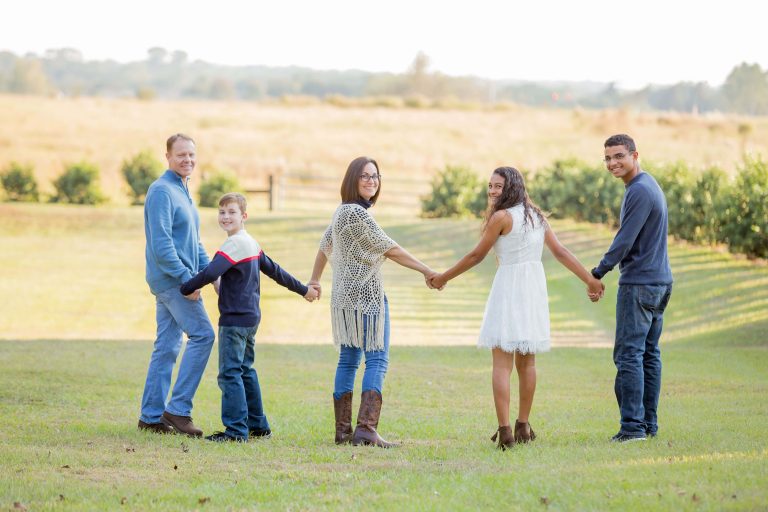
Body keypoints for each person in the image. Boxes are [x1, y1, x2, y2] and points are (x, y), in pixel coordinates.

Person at [429, 166, 604, 450]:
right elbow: (559, 252)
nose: (492, 191)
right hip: (533, 290)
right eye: (490, 186)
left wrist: (442, 278)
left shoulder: (501, 217)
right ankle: (523, 424)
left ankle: (507, 429)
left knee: (502, 363)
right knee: (527, 363)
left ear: (511, 187)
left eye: (497, 186)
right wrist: (589, 279)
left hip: (510, 289)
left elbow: (476, 255)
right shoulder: (536, 217)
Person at [309, 156, 437, 448]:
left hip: (344, 298)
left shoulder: (341, 212)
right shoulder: (357, 214)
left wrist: (315, 280)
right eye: (364, 176)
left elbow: (324, 246)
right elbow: (390, 249)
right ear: (352, 180)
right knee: (377, 358)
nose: (371, 181)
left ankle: (343, 431)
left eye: (375, 176)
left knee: (348, 360)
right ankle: (366, 429)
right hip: (366, 297)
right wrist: (427, 270)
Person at [180, 193, 319, 442]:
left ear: (244, 216)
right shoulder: (250, 243)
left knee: (230, 373)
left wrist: (186, 288)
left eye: (232, 212)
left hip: (234, 321)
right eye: (222, 212)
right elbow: (275, 271)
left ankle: (235, 431)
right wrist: (304, 290)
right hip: (251, 319)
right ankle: (258, 425)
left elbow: (212, 271)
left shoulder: (233, 245)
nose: (226, 217)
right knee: (245, 370)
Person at [591, 134, 673, 443]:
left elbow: (624, 240)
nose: (612, 163)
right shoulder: (647, 184)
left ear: (635, 155)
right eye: (608, 158)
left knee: (629, 356)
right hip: (660, 281)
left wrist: (598, 272)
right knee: (648, 354)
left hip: (640, 284)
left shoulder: (639, 190)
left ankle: (633, 427)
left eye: (619, 156)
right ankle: (647, 425)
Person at [139, 133, 215, 437]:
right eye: (181, 155)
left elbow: (193, 242)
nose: (188, 160)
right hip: (172, 281)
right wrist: (188, 281)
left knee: (168, 346)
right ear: (168, 157)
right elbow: (162, 246)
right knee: (203, 335)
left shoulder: (182, 190)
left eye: (192, 155)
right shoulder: (161, 191)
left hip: (176, 280)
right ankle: (178, 410)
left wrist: (211, 275)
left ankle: (151, 416)